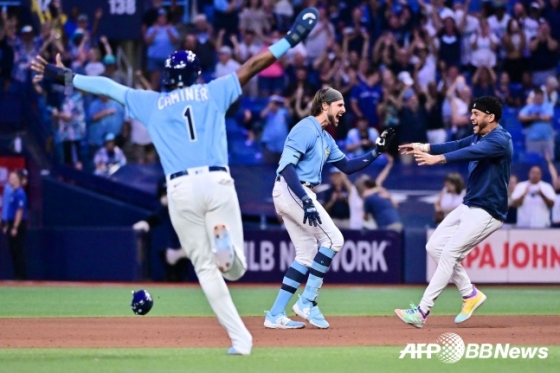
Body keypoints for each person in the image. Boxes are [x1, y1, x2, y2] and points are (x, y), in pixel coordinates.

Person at [32, 7, 321, 355]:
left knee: (203, 268)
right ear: (197, 74)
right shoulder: (213, 91)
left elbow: (108, 88)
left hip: (180, 190)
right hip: (217, 182)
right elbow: (252, 65)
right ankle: (226, 254)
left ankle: (240, 340)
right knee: (235, 271)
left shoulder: (152, 102)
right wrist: (291, 39)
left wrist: (63, 76)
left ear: (167, 77)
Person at [264, 87, 395, 330]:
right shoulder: (306, 128)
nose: (344, 110)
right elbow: (286, 167)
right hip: (293, 189)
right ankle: (307, 301)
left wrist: (376, 152)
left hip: (296, 192)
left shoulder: (325, 137)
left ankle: (275, 314)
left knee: (305, 254)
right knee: (334, 240)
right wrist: (304, 200)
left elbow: (347, 166)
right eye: (340, 105)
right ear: (325, 105)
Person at [395, 96, 512, 328]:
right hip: (469, 205)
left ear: (490, 117)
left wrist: (437, 159)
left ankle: (422, 311)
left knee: (449, 253)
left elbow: (467, 153)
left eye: (476, 114)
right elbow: (458, 145)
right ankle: (470, 294)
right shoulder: (480, 135)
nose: (471, 117)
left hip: (488, 212)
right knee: (434, 246)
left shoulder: (501, 139)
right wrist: (423, 146)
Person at [3, 170, 28, 280]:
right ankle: (17, 274)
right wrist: (7, 225)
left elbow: (19, 211)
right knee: (13, 250)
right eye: (10, 178)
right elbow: (9, 211)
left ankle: (21, 275)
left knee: (18, 249)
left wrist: (15, 227)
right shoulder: (12, 192)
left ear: (18, 180)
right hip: (11, 222)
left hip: (18, 224)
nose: (11, 179)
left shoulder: (20, 193)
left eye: (13, 178)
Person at [546, 153, 560, 227]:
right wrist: (549, 161)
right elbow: (554, 175)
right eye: (558, 180)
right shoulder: (552, 192)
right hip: (554, 222)